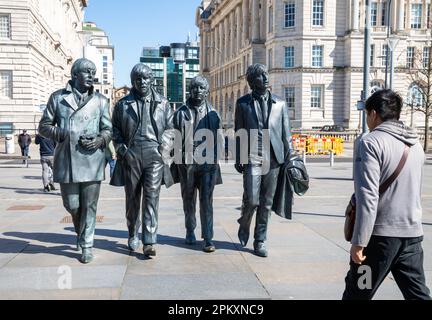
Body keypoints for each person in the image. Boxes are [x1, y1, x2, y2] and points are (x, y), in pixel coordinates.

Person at [342, 89, 431, 300]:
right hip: (411, 237)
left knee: (358, 292)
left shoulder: (370, 142)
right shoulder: (416, 144)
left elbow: (368, 196)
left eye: (367, 115)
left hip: (379, 240)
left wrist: (359, 242)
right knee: (418, 295)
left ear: (373, 114)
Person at [38, 58, 112, 264]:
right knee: (72, 204)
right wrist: (62, 133)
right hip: (67, 160)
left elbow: (108, 129)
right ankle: (81, 234)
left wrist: (99, 140)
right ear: (74, 75)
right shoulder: (58, 98)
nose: (91, 75)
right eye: (87, 71)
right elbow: (43, 126)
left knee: (90, 205)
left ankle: (87, 245)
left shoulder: (100, 101)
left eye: (93, 72)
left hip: (92, 160)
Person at [110, 63, 174, 257]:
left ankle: (149, 240)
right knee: (132, 198)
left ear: (152, 80)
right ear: (132, 82)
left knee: (151, 197)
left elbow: (171, 129)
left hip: (154, 154)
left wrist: (163, 145)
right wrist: (122, 149)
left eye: (146, 78)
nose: (143, 82)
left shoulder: (163, 103)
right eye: (138, 79)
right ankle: (132, 233)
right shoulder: (122, 104)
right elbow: (114, 130)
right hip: (132, 154)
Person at [234, 63, 294, 258]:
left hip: (274, 158)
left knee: (266, 202)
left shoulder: (280, 104)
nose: (265, 77)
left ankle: (260, 239)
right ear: (252, 81)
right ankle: (244, 222)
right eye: (260, 75)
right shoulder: (243, 103)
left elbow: (287, 134)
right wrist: (239, 156)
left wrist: (291, 156)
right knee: (251, 199)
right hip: (252, 155)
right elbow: (239, 132)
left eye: (266, 73)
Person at [172, 76, 223, 253]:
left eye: (202, 88)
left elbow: (219, 139)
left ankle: (208, 237)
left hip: (208, 164)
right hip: (187, 164)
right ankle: (190, 230)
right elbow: (173, 137)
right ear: (190, 91)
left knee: (206, 201)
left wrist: (215, 158)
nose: (198, 91)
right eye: (195, 88)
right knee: (188, 201)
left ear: (207, 92)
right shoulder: (180, 112)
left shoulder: (214, 113)